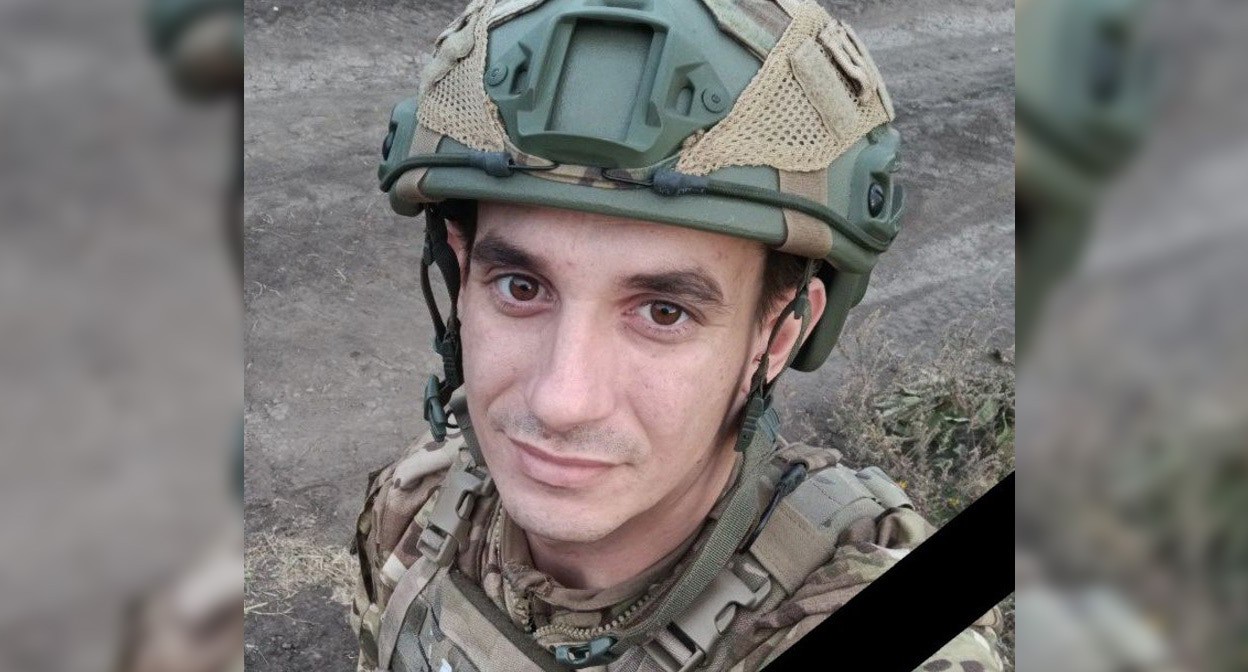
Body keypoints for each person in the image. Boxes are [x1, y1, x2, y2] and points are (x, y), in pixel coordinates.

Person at [352, 0, 1004, 670]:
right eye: (521, 288)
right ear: (461, 277)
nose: (561, 402)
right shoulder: (419, 504)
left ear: (780, 334)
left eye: (664, 313)